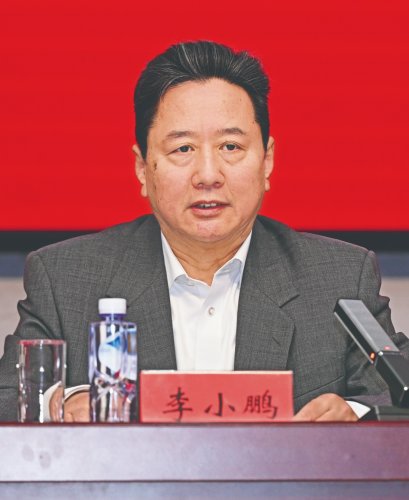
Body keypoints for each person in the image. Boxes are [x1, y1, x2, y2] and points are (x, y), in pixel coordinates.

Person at [0, 40, 407, 422]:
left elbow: (395, 393)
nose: (208, 175)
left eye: (231, 147)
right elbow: (8, 395)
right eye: (183, 149)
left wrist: (356, 416)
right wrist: (62, 403)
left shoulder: (339, 278)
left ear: (267, 161)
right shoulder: (66, 278)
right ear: (142, 168)